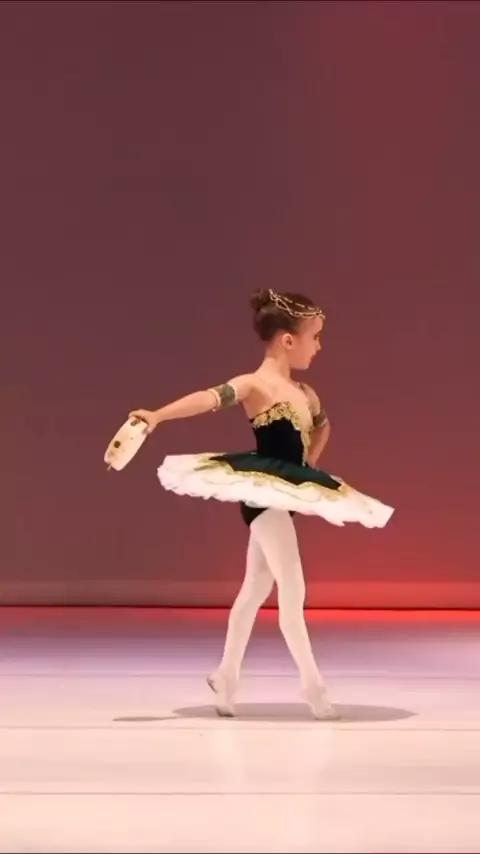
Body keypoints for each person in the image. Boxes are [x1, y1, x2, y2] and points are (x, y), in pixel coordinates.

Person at [130, 288, 394, 720]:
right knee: (293, 588)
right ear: (288, 340)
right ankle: (314, 688)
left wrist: (306, 470)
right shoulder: (255, 385)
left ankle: (225, 677)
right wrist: (158, 415)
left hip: (284, 490)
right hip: (260, 492)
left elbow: (323, 427)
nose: (319, 346)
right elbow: (208, 397)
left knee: (255, 589)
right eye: (315, 337)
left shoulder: (305, 393)